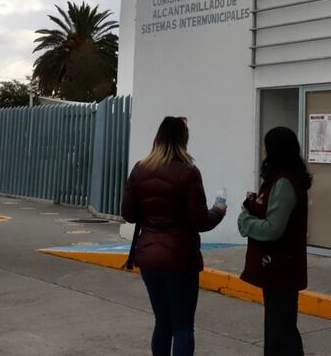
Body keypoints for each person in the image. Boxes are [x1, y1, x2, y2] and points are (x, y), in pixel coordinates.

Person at [121, 116, 227, 356]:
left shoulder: (139, 169)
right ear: (184, 140)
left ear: (157, 137)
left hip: (149, 256)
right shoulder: (189, 172)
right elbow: (199, 221)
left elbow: (128, 213)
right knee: (182, 326)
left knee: (162, 322)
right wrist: (218, 212)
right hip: (180, 258)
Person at [238, 127, 312, 356]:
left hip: (281, 267)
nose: (263, 151)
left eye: (266, 146)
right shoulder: (281, 180)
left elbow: (273, 228)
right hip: (279, 268)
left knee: (281, 334)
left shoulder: (284, 184)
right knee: (278, 329)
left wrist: (245, 220)